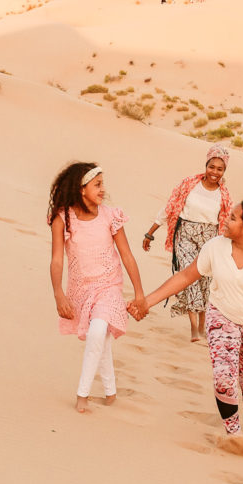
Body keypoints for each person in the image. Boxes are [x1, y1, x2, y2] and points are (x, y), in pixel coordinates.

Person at [129, 201, 243, 442]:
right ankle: (234, 436)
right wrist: (148, 301)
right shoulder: (215, 248)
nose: (226, 219)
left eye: (233, 218)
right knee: (224, 377)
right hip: (222, 318)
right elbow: (185, 276)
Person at [48, 162, 146, 413]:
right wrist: (58, 294)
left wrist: (139, 293)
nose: (103, 190)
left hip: (110, 287)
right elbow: (57, 259)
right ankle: (111, 393)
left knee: (97, 331)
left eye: (103, 184)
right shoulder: (63, 219)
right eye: (97, 184)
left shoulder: (111, 216)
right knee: (101, 338)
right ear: (82, 189)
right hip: (81, 291)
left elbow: (127, 255)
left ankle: (82, 394)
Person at [141, 145, 233, 342]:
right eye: (212, 166)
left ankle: (202, 326)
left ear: (224, 171)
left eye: (220, 169)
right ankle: (194, 328)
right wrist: (150, 233)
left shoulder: (224, 196)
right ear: (206, 165)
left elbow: (228, 224)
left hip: (210, 239)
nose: (215, 172)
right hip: (185, 236)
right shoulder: (188, 185)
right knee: (188, 278)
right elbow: (169, 208)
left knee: (205, 282)